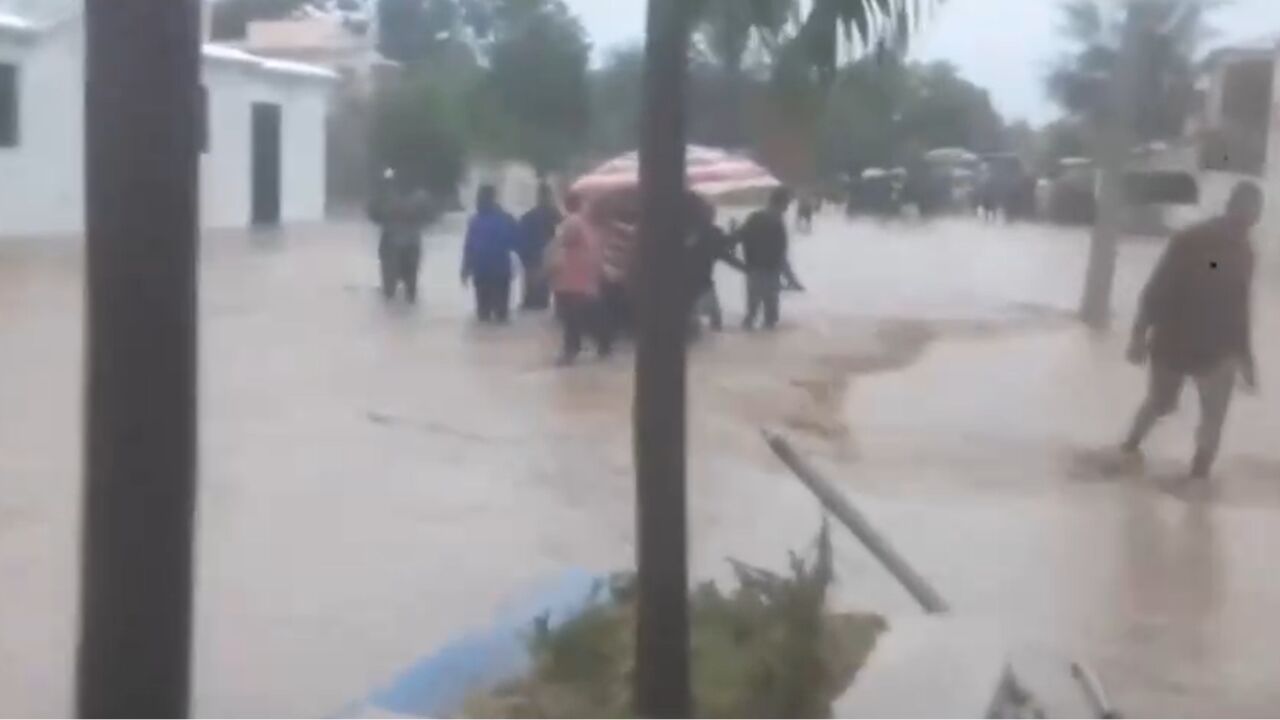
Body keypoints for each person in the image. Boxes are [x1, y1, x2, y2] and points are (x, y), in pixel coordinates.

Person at [1121, 181, 1263, 480]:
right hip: (1175, 339)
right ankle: (1129, 447)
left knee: (1213, 418)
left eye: (1255, 213)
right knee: (1162, 403)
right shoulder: (1190, 240)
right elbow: (1157, 289)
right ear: (1231, 208)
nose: (1250, 220)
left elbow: (1240, 308)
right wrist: (1138, 334)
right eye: (1247, 211)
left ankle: (1199, 480)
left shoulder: (1246, 253)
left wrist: (1246, 360)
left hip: (1217, 349)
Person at [549, 195, 612, 364]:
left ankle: (572, 351)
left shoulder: (573, 222)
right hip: (586, 279)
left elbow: (561, 242)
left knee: (572, 318)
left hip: (572, 280)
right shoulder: (593, 226)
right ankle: (602, 346)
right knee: (586, 316)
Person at [737, 188, 801, 330]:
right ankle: (766, 348)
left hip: (753, 271)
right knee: (770, 318)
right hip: (770, 274)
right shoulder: (777, 224)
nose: (787, 208)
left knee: (751, 314)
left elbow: (739, 237)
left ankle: (749, 345)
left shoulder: (754, 217)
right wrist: (792, 280)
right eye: (787, 204)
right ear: (782, 204)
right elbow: (781, 256)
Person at [368, 169, 433, 303]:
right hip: (412, 245)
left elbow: (373, 214)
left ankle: (389, 317)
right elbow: (430, 218)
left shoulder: (385, 196)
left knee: (389, 291)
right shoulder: (421, 197)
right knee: (411, 290)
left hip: (391, 246)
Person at [685, 193, 744, 334]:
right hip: (702, 285)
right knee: (715, 319)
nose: (713, 215)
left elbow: (725, 249)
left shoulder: (687, 231)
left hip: (685, 285)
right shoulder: (712, 233)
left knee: (693, 320)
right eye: (711, 212)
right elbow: (725, 252)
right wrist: (747, 269)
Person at [462, 185, 521, 323]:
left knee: (484, 315)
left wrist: (465, 270)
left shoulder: (475, 221)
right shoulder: (505, 219)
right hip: (499, 271)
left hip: (483, 271)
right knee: (500, 315)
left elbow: (469, 248)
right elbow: (517, 242)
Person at [518, 182, 561, 311]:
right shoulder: (552, 213)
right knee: (540, 280)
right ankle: (536, 301)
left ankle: (531, 301)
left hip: (533, 252)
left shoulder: (530, 216)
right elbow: (564, 227)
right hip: (542, 251)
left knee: (532, 279)